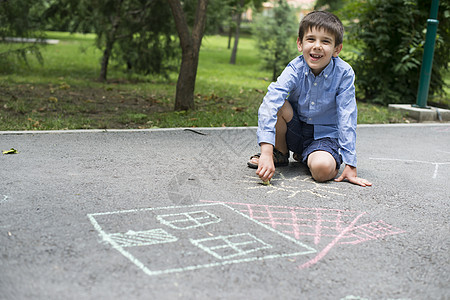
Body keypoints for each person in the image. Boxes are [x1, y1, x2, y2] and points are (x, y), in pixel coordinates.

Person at [247, 11, 372, 187]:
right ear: (300, 43)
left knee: (322, 170)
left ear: (337, 49)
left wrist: (350, 164)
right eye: (311, 39)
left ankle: (311, 155)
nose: (317, 46)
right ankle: (280, 153)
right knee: (278, 104)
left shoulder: (344, 73)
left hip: (324, 136)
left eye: (326, 41)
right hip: (296, 130)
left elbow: (347, 117)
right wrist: (266, 152)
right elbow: (270, 103)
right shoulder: (294, 69)